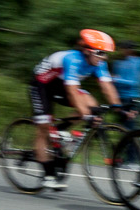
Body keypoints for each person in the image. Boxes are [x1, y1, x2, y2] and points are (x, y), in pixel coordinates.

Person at [28, 29, 125, 193]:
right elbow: (72, 91)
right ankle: (48, 175)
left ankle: (58, 132)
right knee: (43, 128)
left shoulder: (98, 62)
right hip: (42, 86)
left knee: (93, 106)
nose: (104, 58)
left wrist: (118, 107)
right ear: (87, 51)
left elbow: (107, 86)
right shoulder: (72, 59)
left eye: (106, 54)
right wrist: (86, 116)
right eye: (101, 53)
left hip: (62, 85)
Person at [111, 40, 140, 110]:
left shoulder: (139, 63)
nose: (121, 51)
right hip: (120, 97)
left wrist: (115, 79)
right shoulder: (118, 62)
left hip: (133, 98)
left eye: (123, 48)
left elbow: (135, 82)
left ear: (130, 50)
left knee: (130, 120)